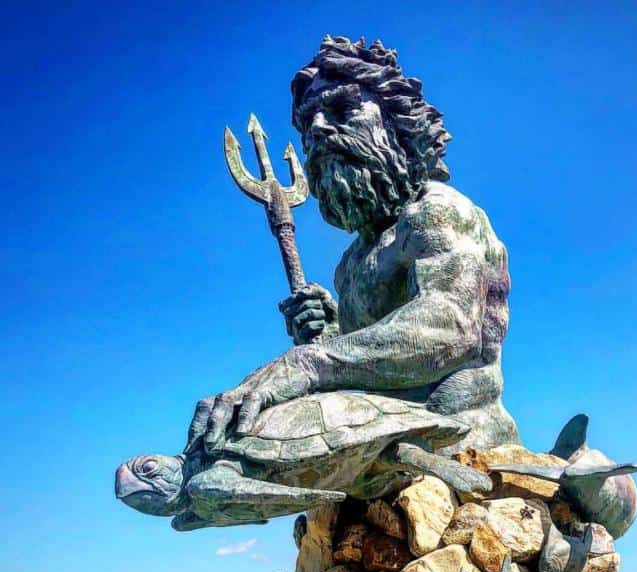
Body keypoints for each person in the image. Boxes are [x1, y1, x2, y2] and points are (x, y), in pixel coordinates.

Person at [188, 35, 519, 456]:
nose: (321, 128)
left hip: (463, 447)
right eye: (309, 125)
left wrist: (309, 363)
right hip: (377, 454)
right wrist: (328, 332)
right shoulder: (352, 263)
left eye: (344, 109)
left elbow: (450, 328)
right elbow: (366, 364)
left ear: (398, 128)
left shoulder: (438, 212)